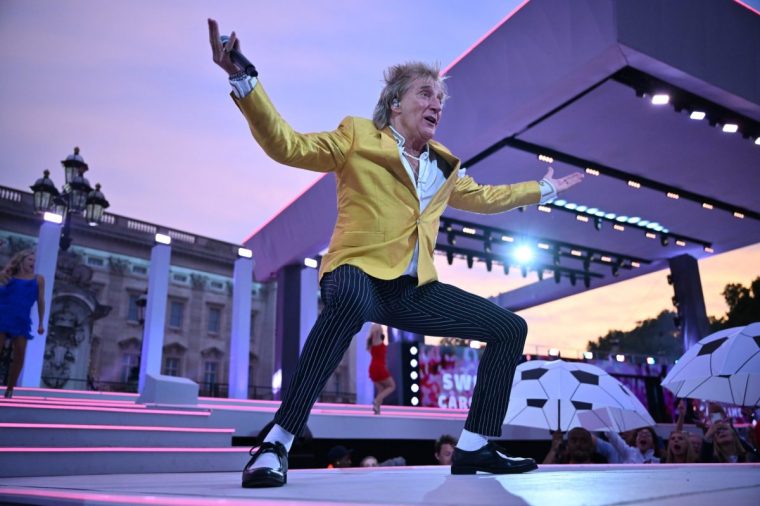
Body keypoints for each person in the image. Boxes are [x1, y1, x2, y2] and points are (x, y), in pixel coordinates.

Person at [208, 19, 584, 488]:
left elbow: (484, 197)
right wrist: (244, 80)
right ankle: (276, 442)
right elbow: (287, 145)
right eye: (426, 93)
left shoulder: (445, 164)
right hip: (356, 272)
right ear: (395, 103)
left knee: (509, 327)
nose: (436, 104)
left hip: (411, 289)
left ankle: (474, 446)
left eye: (441, 98)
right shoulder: (358, 136)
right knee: (348, 303)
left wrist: (543, 189)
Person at [0, 249, 45, 399]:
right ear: (22, 261)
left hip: (22, 318)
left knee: (19, 354)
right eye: (30, 260)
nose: (33, 263)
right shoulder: (8, 276)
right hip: (3, 315)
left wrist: (41, 322)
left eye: (34, 260)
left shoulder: (38, 279)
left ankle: (10, 388)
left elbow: (41, 301)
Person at [366, 323, 395, 415]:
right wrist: (377, 329)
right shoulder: (376, 340)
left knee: (382, 389)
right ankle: (376, 401)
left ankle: (377, 408)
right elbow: (377, 332)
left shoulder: (370, 343)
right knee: (392, 386)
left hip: (373, 368)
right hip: (379, 368)